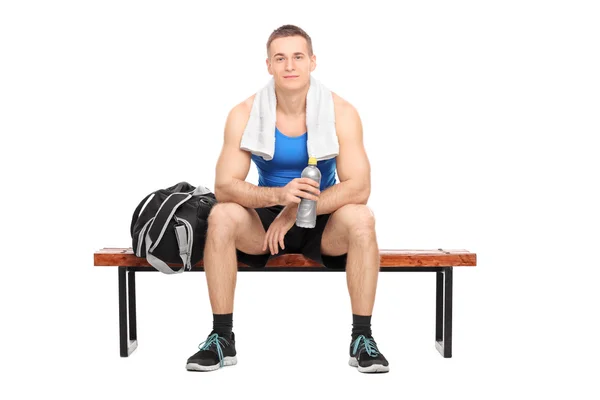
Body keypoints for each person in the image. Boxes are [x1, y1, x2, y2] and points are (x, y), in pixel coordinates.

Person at [186, 24, 389, 373]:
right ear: (268, 65)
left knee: (362, 218)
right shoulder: (244, 113)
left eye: (297, 56)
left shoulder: (341, 112)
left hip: (323, 218)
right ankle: (222, 337)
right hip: (265, 218)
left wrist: (295, 211)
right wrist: (280, 197)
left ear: (312, 61)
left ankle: (362, 338)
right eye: (280, 58)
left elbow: (359, 187)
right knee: (221, 215)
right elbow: (225, 186)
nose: (290, 65)